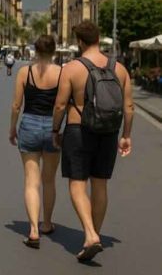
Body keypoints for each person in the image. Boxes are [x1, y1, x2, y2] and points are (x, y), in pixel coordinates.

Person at [52, 21, 133, 262]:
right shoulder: (119, 68)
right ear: (98, 39)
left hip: (78, 130)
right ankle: (94, 233)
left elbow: (59, 105)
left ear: (79, 42)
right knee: (100, 185)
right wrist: (126, 135)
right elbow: (129, 106)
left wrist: (56, 129)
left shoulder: (72, 68)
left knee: (77, 184)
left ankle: (89, 235)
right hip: (108, 132)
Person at [9, 35, 61, 249]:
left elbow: (16, 106)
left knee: (31, 180)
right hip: (52, 127)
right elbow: (62, 104)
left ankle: (33, 230)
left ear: (35, 50)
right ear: (54, 51)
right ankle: (47, 223)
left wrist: (12, 128)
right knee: (48, 180)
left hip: (28, 124)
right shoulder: (62, 72)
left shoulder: (24, 72)